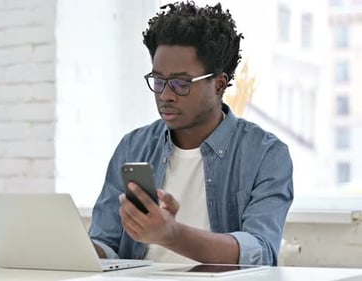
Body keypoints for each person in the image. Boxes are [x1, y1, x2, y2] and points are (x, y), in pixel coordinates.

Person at [88, 1, 293, 266]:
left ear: (219, 84)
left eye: (180, 84)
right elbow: (107, 244)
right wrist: (72, 248)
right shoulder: (133, 146)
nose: (165, 95)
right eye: (159, 81)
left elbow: (260, 252)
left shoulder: (265, 154)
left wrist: (172, 234)